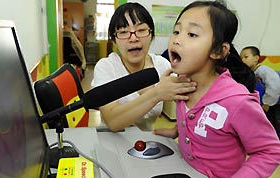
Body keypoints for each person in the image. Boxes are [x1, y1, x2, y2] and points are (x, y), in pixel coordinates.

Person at [153, 1, 280, 177]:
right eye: (176, 31)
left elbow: (270, 151)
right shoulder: (182, 84)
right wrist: (176, 131)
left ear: (218, 51)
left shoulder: (237, 101)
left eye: (191, 34)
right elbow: (194, 118)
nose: (177, 39)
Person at [91, 2, 197, 131]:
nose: (133, 38)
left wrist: (178, 128)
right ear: (114, 40)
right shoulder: (106, 67)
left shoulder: (162, 65)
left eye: (141, 30)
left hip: (146, 143)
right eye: (123, 32)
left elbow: (189, 105)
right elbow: (113, 122)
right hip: (111, 141)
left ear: (151, 34)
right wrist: (156, 93)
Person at [240, 46, 280, 138]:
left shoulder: (263, 70)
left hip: (271, 106)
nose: (243, 60)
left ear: (256, 58)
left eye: (246, 57)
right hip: (262, 105)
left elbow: (275, 85)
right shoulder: (251, 73)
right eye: (241, 57)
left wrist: (267, 103)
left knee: (274, 127)